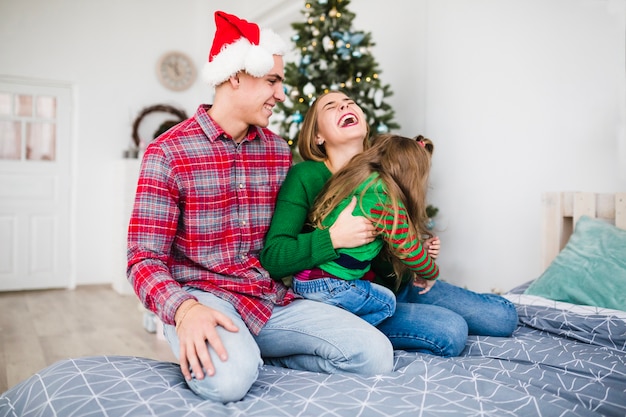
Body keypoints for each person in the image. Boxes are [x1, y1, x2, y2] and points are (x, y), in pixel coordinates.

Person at [126, 12, 393, 404]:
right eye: (273, 80)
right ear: (235, 76)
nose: (281, 95)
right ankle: (241, 357)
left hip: (269, 298)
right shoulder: (168, 153)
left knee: (376, 355)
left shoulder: (277, 150)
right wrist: (183, 310)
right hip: (205, 298)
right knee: (230, 381)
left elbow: (293, 234)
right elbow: (142, 257)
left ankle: (259, 359)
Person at [261, 91, 519, 357]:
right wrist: (334, 238)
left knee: (503, 317)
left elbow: (397, 241)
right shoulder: (305, 176)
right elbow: (273, 257)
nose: (345, 105)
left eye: (350, 102)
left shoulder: (386, 171)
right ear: (318, 136)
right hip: (345, 298)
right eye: (331, 106)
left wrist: (419, 253)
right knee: (451, 331)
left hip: (397, 286)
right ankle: (351, 331)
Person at [290, 134, 440, 326]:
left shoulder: (356, 182)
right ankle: (340, 333)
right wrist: (431, 274)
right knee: (386, 303)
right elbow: (410, 251)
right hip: (328, 284)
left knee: (368, 287)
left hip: (304, 279)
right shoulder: (386, 202)